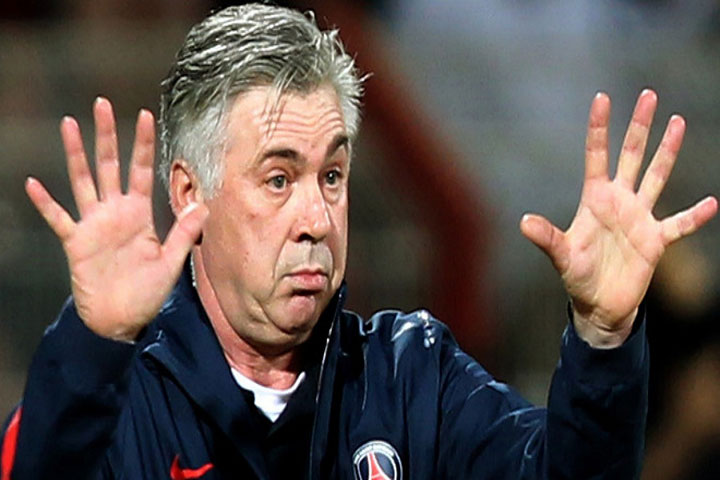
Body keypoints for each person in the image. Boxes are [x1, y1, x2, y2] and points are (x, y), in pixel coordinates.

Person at [1, 3, 717, 479]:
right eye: (279, 179)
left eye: (333, 175)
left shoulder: (414, 377)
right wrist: (92, 346)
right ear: (191, 195)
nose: (317, 218)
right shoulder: (121, 401)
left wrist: (602, 338)